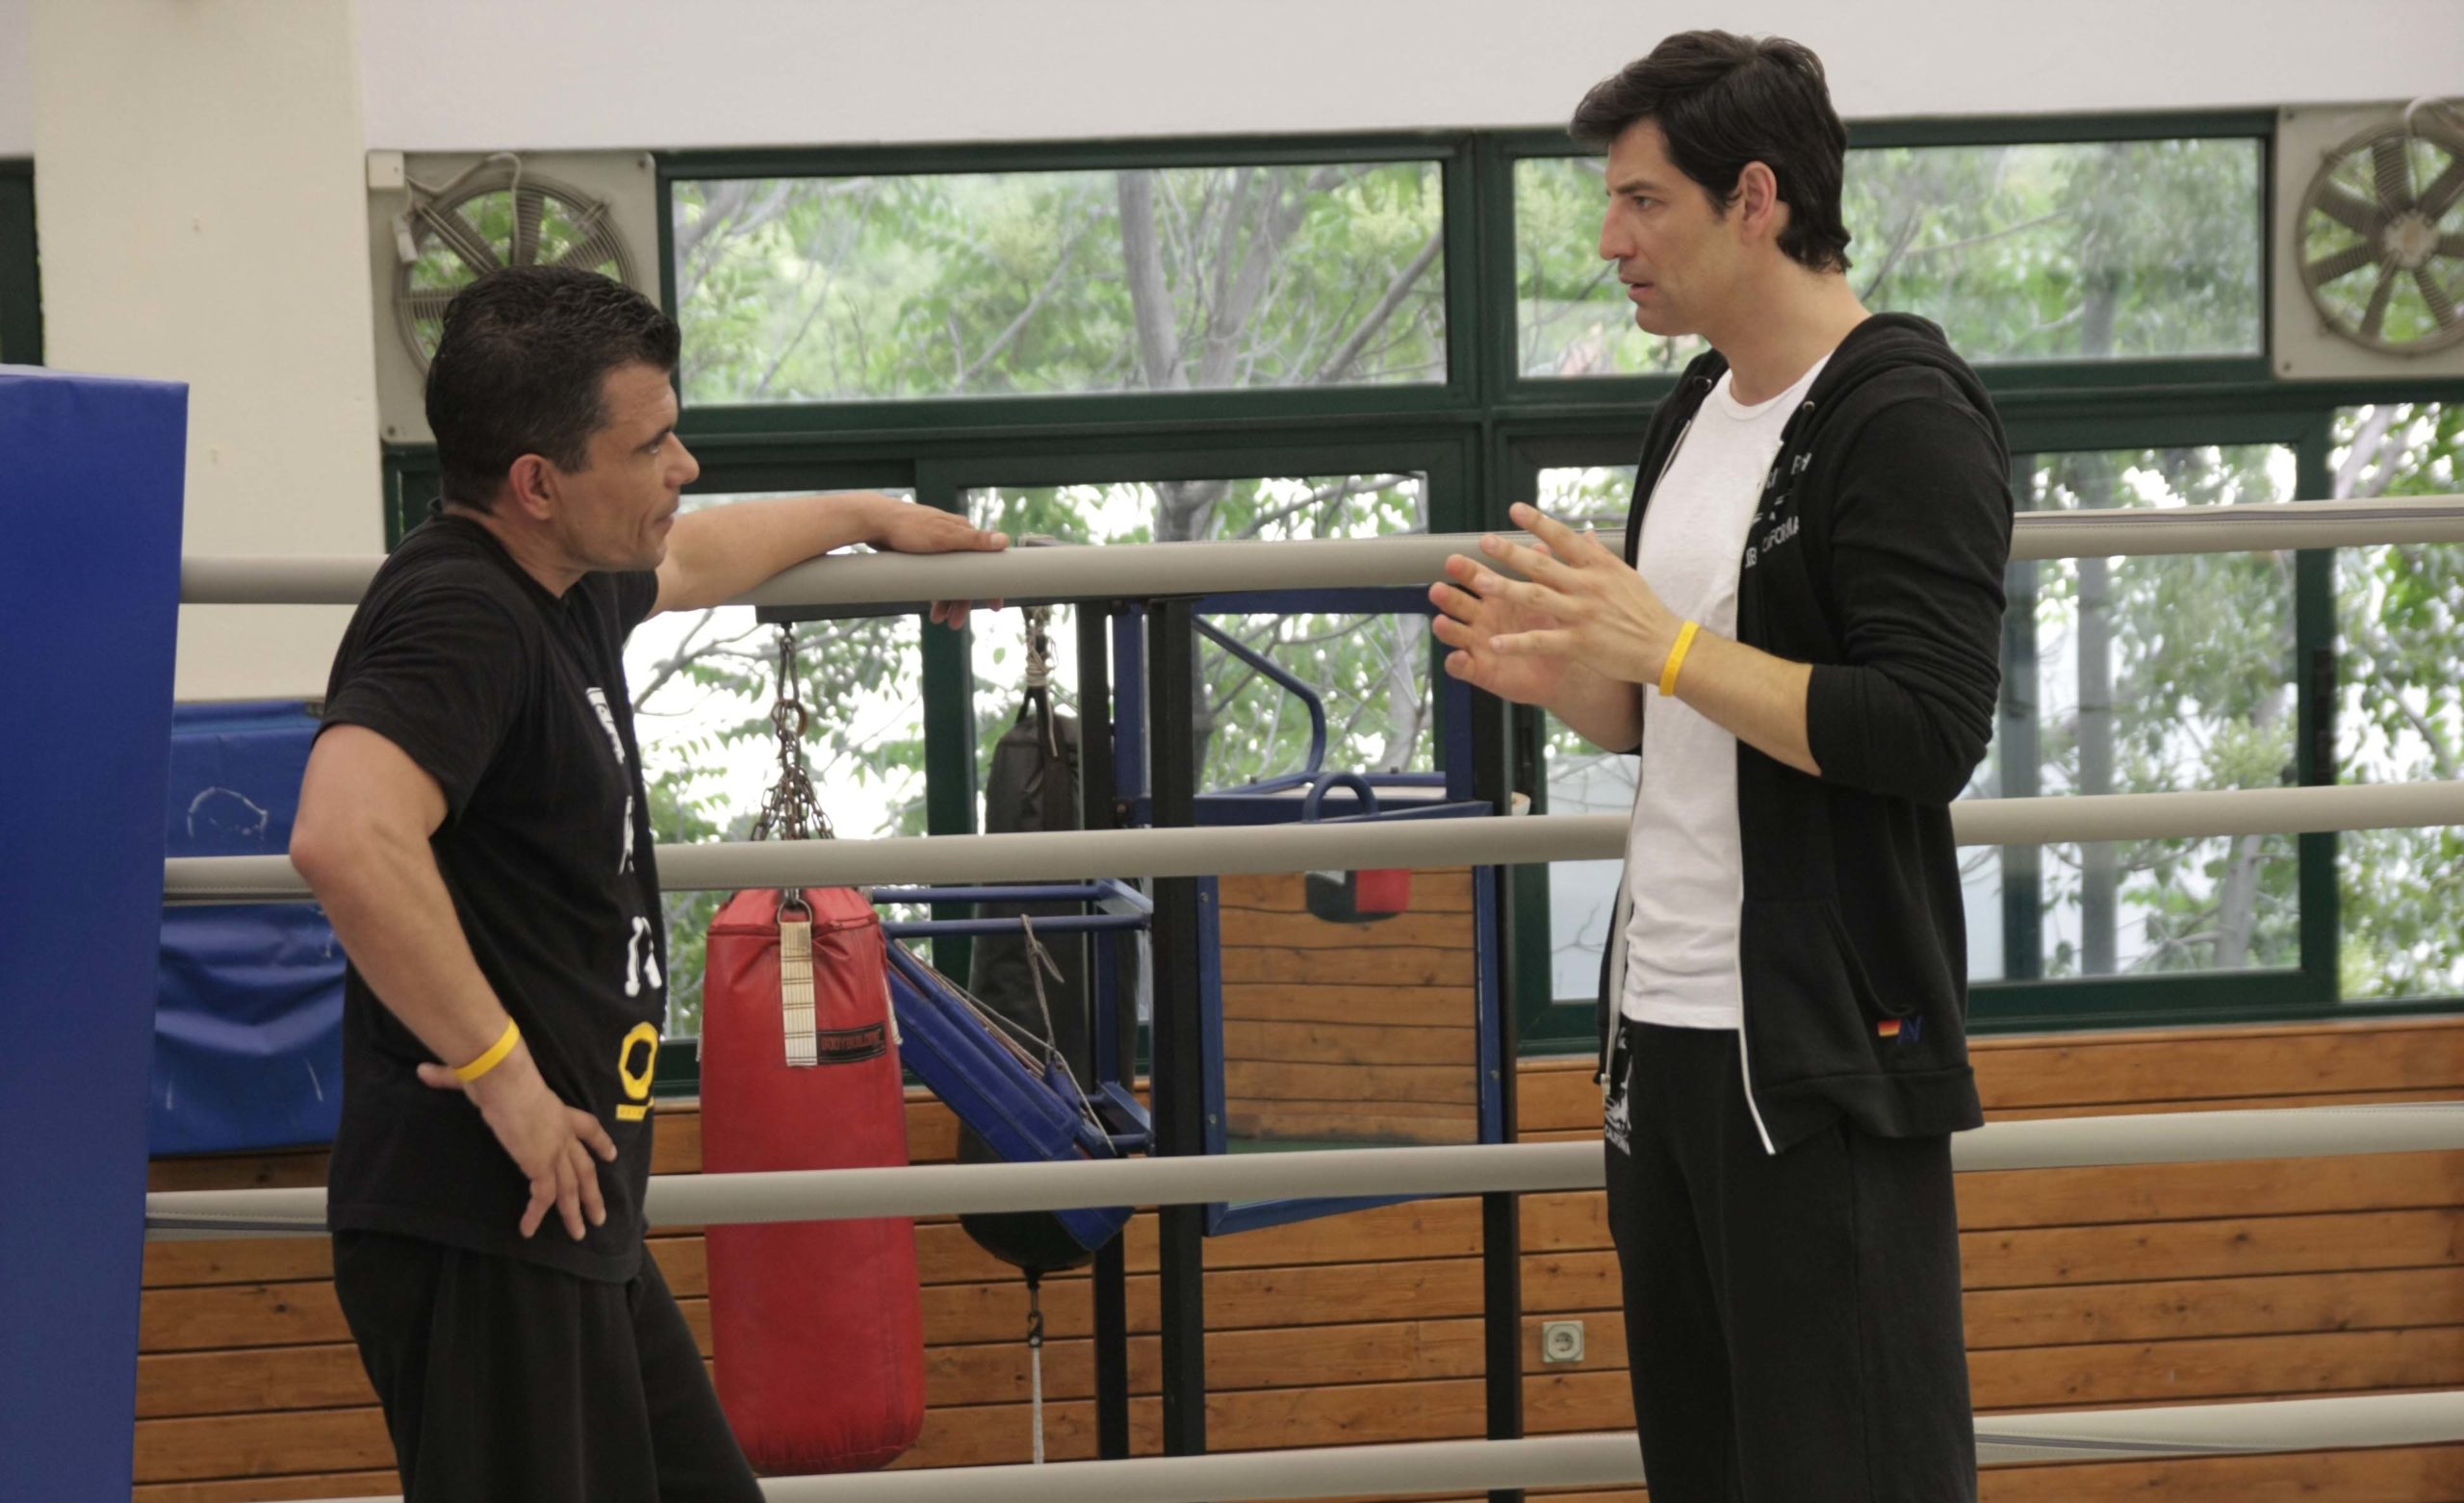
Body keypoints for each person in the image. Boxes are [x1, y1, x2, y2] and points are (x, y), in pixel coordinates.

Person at [289, 265, 1006, 1502]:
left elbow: (701, 558)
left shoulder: (559, 585)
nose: (685, 466)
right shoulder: (461, 611)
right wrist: (505, 1080)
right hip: (490, 1213)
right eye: (650, 444)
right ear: (538, 482)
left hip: (572, 1210)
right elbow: (346, 835)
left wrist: (867, 514)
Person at [1430, 31, 2011, 1502]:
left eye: (1644, 202)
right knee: (1706, 1463)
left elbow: (1927, 727)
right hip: (1665, 1030)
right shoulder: (1693, 408)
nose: (1610, 240)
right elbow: (1684, 714)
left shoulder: (1903, 413)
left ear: (1756, 198)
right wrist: (1579, 679)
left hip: (1818, 1053)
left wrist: (1668, 646)